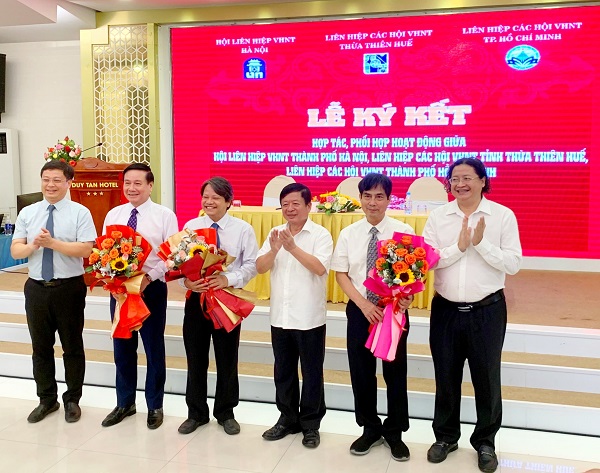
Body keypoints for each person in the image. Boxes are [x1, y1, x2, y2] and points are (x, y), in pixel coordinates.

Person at [422, 158, 522, 473]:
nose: (460, 184)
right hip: (446, 310)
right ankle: (445, 437)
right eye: (454, 178)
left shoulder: (502, 216)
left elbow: (513, 264)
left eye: (467, 177)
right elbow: (428, 260)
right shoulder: (438, 217)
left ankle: (485, 442)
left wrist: (481, 245)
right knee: (446, 376)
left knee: (487, 379)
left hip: (487, 311)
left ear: (482, 181)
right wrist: (460, 247)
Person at [331, 173, 414, 461]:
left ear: (389, 200)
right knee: (361, 371)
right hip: (360, 309)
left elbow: (412, 275)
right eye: (367, 196)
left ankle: (395, 432)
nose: (373, 202)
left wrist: (406, 297)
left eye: (379, 196)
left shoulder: (403, 231)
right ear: (360, 198)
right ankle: (369, 428)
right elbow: (341, 274)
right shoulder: (349, 233)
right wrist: (364, 305)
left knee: (395, 373)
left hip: (393, 311)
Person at [11, 160, 96, 424]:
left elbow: (86, 249)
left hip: (69, 288)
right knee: (40, 348)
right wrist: (34, 245)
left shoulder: (80, 212)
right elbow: (16, 250)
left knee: (72, 346)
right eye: (46, 179)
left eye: (57, 180)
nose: (50, 185)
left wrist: (52, 243)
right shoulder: (28, 212)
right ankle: (47, 399)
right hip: (36, 288)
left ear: (69, 182)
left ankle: (72, 400)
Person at [177, 176, 258, 436]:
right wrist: (187, 283)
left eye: (215, 197)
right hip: (197, 300)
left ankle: (226, 412)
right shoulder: (191, 226)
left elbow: (252, 265)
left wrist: (228, 279)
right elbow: (178, 263)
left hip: (226, 299)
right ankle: (196, 413)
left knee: (227, 358)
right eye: (205, 197)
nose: (209, 202)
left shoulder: (242, 229)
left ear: (228, 202)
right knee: (195, 357)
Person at [100, 163, 178, 430]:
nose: (131, 188)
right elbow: (103, 252)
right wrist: (109, 278)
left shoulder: (165, 216)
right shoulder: (114, 214)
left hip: (150, 289)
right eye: (127, 183)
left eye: (137, 183)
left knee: (153, 348)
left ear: (150, 185)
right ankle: (125, 403)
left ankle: (155, 405)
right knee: (122, 348)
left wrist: (148, 278)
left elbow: (171, 257)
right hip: (121, 291)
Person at [256, 183, 333, 449]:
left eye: (295, 203)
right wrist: (275, 249)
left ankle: (310, 425)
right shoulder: (275, 233)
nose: (290, 209)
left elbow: (320, 268)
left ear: (309, 206)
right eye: (285, 204)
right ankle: (287, 419)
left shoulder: (320, 235)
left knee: (312, 373)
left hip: (309, 317)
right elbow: (260, 267)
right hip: (280, 315)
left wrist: (292, 248)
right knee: (284, 371)